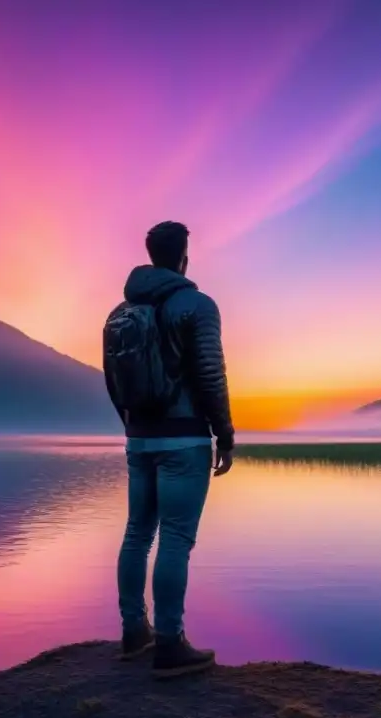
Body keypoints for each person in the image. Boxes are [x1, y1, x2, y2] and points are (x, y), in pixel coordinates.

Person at [102, 220, 235, 678]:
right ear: (184, 257)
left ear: (149, 254)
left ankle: (133, 631)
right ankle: (169, 643)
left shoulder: (120, 313)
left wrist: (132, 428)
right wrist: (226, 433)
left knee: (137, 532)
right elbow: (210, 374)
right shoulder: (197, 305)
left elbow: (112, 380)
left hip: (138, 439)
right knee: (176, 538)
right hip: (184, 439)